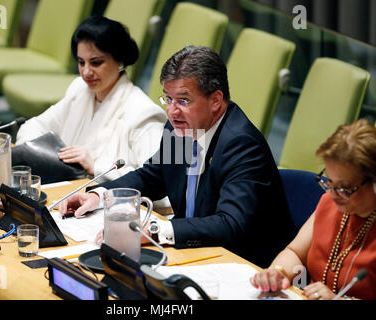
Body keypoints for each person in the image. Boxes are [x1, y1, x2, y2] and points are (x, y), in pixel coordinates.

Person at [59, 45, 294, 268]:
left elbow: (230, 224)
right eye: (168, 99)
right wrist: (101, 196)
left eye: (183, 100)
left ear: (215, 100)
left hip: (239, 265)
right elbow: (154, 176)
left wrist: (155, 230)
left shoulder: (240, 144)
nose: (171, 111)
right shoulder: (182, 128)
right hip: (192, 253)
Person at [15, 16, 166, 182]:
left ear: (120, 61)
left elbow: (159, 181)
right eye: (81, 62)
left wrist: (96, 166)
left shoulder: (143, 112)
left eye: (96, 63)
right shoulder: (79, 89)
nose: (86, 72)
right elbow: (34, 126)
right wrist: (49, 156)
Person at [250, 119, 376, 300]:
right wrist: (278, 272)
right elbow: (295, 252)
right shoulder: (329, 204)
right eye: (329, 182)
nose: (333, 194)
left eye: (345, 188)